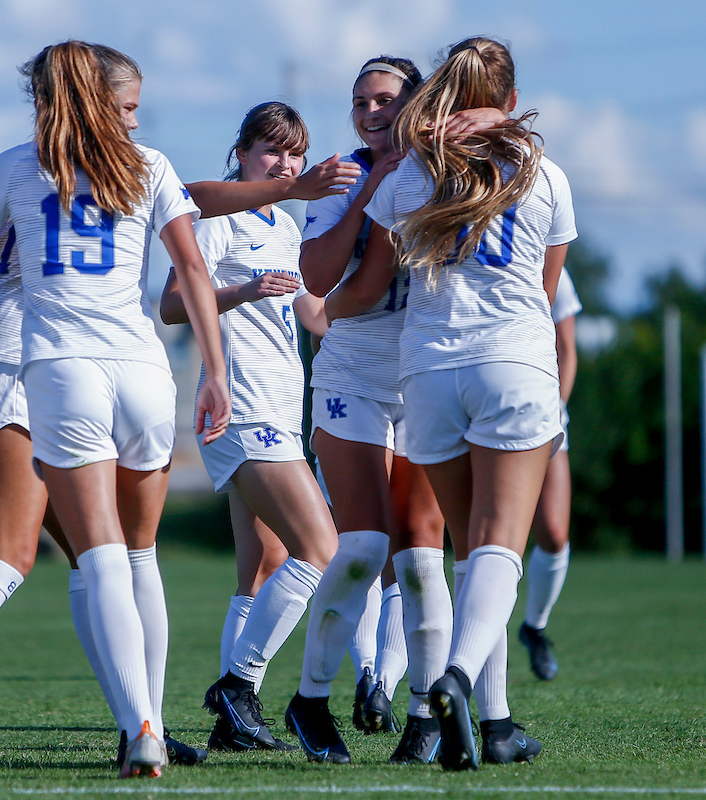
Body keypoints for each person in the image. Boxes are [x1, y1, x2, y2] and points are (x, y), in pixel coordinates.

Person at [0, 44, 206, 774]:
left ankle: (140, 719)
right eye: (124, 107)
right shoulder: (32, 167)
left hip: (52, 360)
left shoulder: (38, 166)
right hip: (18, 358)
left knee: (108, 555)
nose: (132, 122)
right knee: (17, 550)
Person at [327, 36, 576, 771]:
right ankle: (458, 679)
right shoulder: (546, 176)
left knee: (470, 551)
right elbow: (543, 291)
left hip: (428, 373)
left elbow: (370, 278)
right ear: (505, 100)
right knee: (500, 546)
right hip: (511, 364)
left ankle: (495, 725)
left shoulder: (407, 181)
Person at [159, 102, 338, 756]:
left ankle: (232, 723)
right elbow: (173, 304)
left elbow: (312, 313)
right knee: (321, 548)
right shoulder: (218, 217)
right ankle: (238, 686)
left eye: (295, 154)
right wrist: (244, 289)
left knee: (260, 567)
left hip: (282, 410)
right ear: (240, 153)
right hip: (242, 405)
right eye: (272, 151)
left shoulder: (284, 224)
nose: (285, 165)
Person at [299, 55, 449, 764]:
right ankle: (309, 700)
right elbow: (326, 284)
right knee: (362, 547)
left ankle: (425, 715)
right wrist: (373, 195)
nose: (370, 112)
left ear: (417, 104)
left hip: (427, 372)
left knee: (421, 557)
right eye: (359, 101)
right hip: (353, 373)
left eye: (384, 98)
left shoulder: (448, 172)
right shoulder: (342, 177)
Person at [518, 266, 580, 680]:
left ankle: (534, 627)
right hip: (476, 401)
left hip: (541, 412)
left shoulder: (551, 262)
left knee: (554, 534)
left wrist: (554, 407)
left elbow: (567, 350)